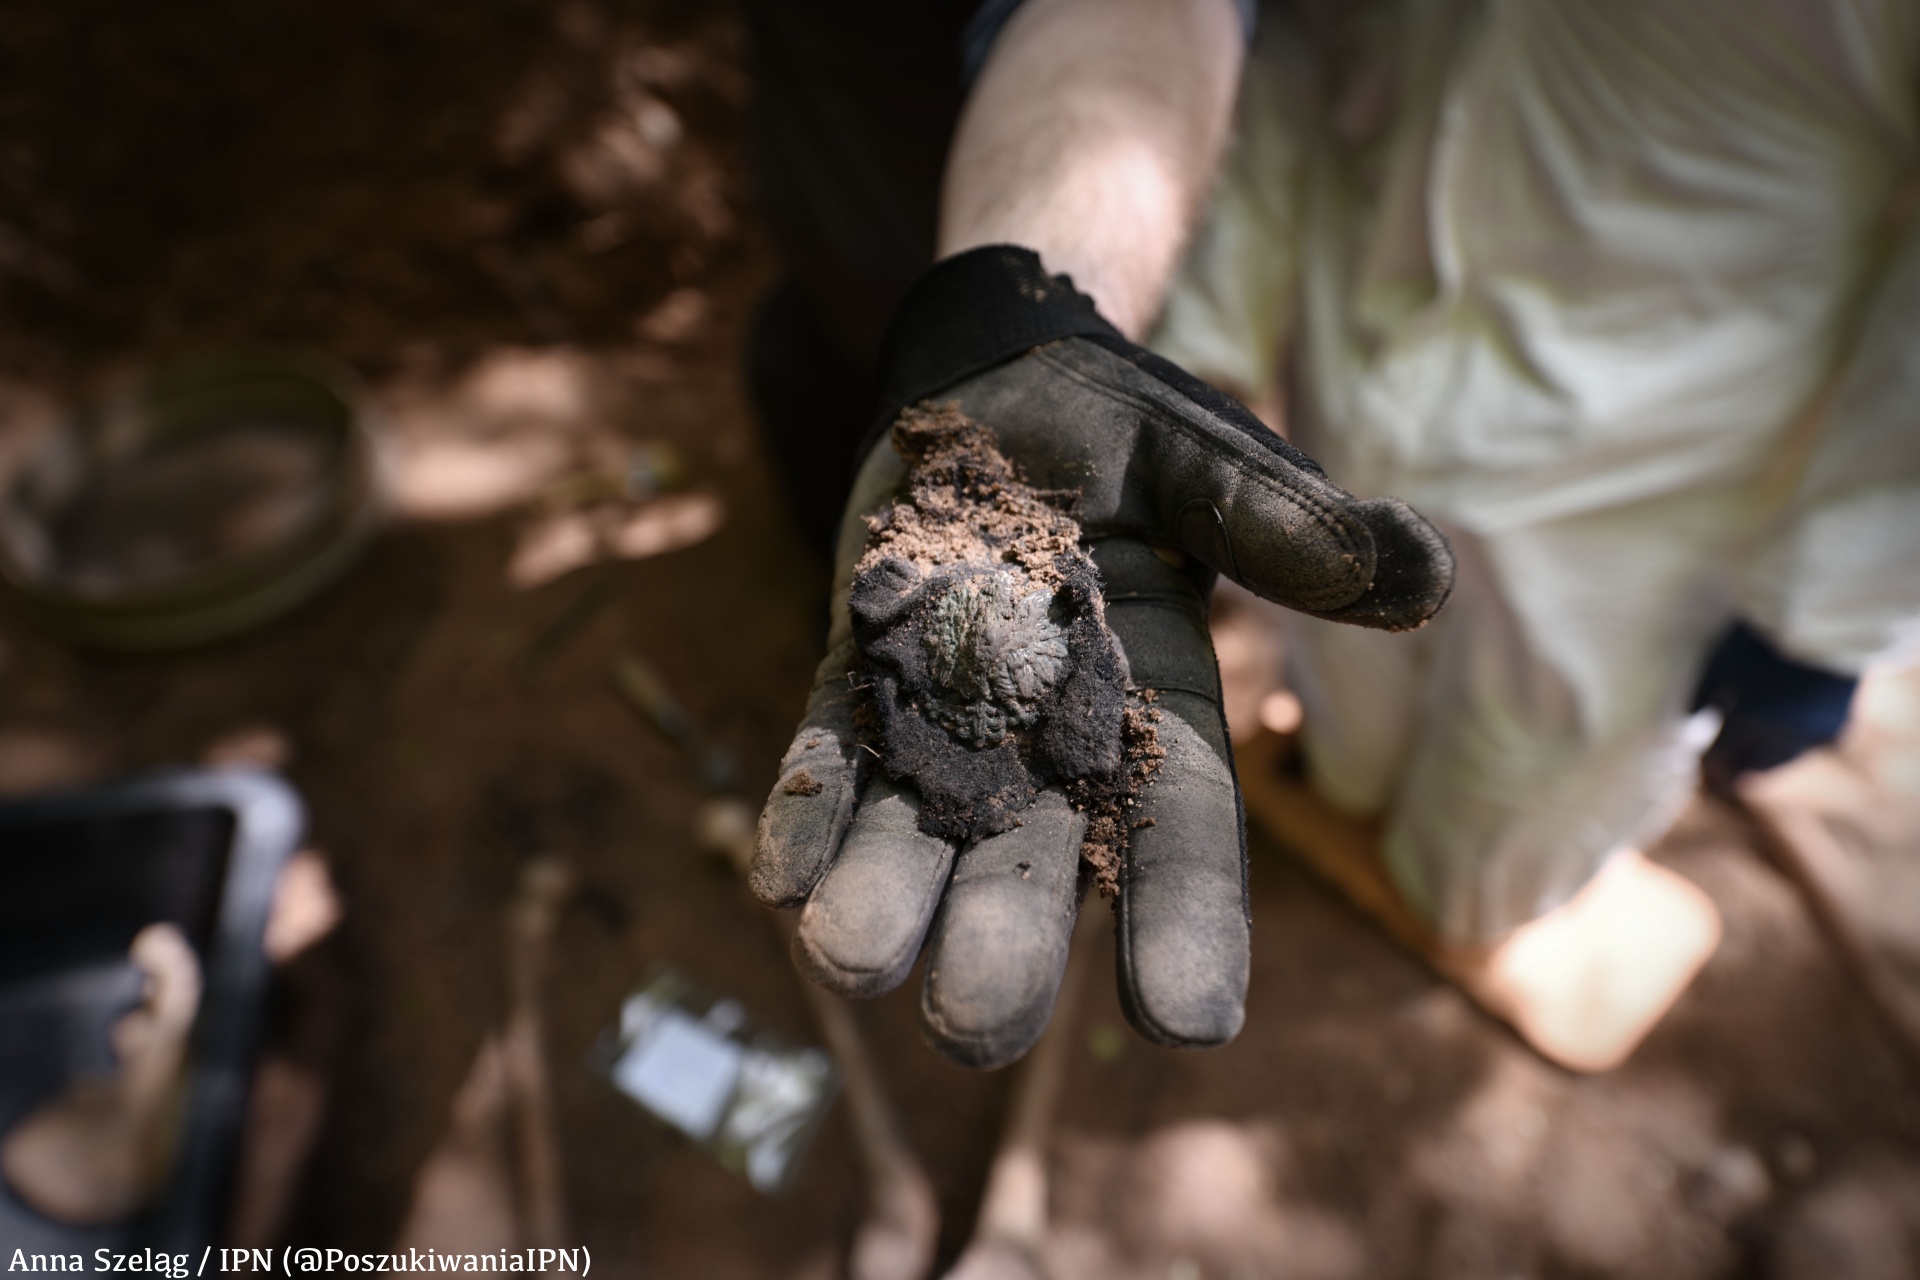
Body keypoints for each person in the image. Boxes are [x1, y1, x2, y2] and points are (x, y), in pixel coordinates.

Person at [744, 0, 1920, 1072]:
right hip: (1357, 370)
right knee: (1349, 699)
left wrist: (1832, 609)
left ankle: (1476, 894)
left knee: (1513, 809)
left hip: (1661, 477)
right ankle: (1362, 783)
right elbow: (1280, 47)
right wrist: (1163, 341)